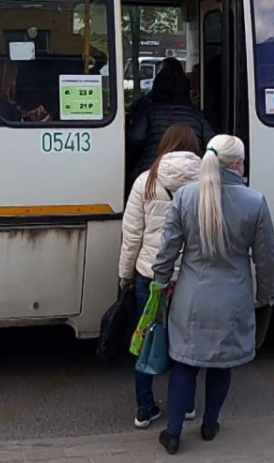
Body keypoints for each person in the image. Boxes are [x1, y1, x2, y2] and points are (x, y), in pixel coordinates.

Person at [151, 134, 274, 455]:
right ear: (237, 164)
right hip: (233, 300)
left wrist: (159, 284)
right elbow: (267, 258)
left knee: (185, 365)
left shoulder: (186, 197)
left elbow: (167, 250)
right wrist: (267, 294)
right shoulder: (254, 201)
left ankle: (173, 433)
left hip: (190, 299)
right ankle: (209, 425)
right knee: (222, 365)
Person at [118, 123, 203, 429]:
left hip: (150, 277)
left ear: (165, 145)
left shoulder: (146, 181)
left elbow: (132, 235)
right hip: (191, 278)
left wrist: (124, 275)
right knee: (187, 342)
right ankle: (187, 405)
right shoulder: (208, 183)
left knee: (146, 339)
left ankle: (144, 408)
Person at [127, 68, 215, 181]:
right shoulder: (196, 115)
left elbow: (135, 138)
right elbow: (211, 142)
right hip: (191, 172)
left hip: (152, 169)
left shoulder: (149, 112)